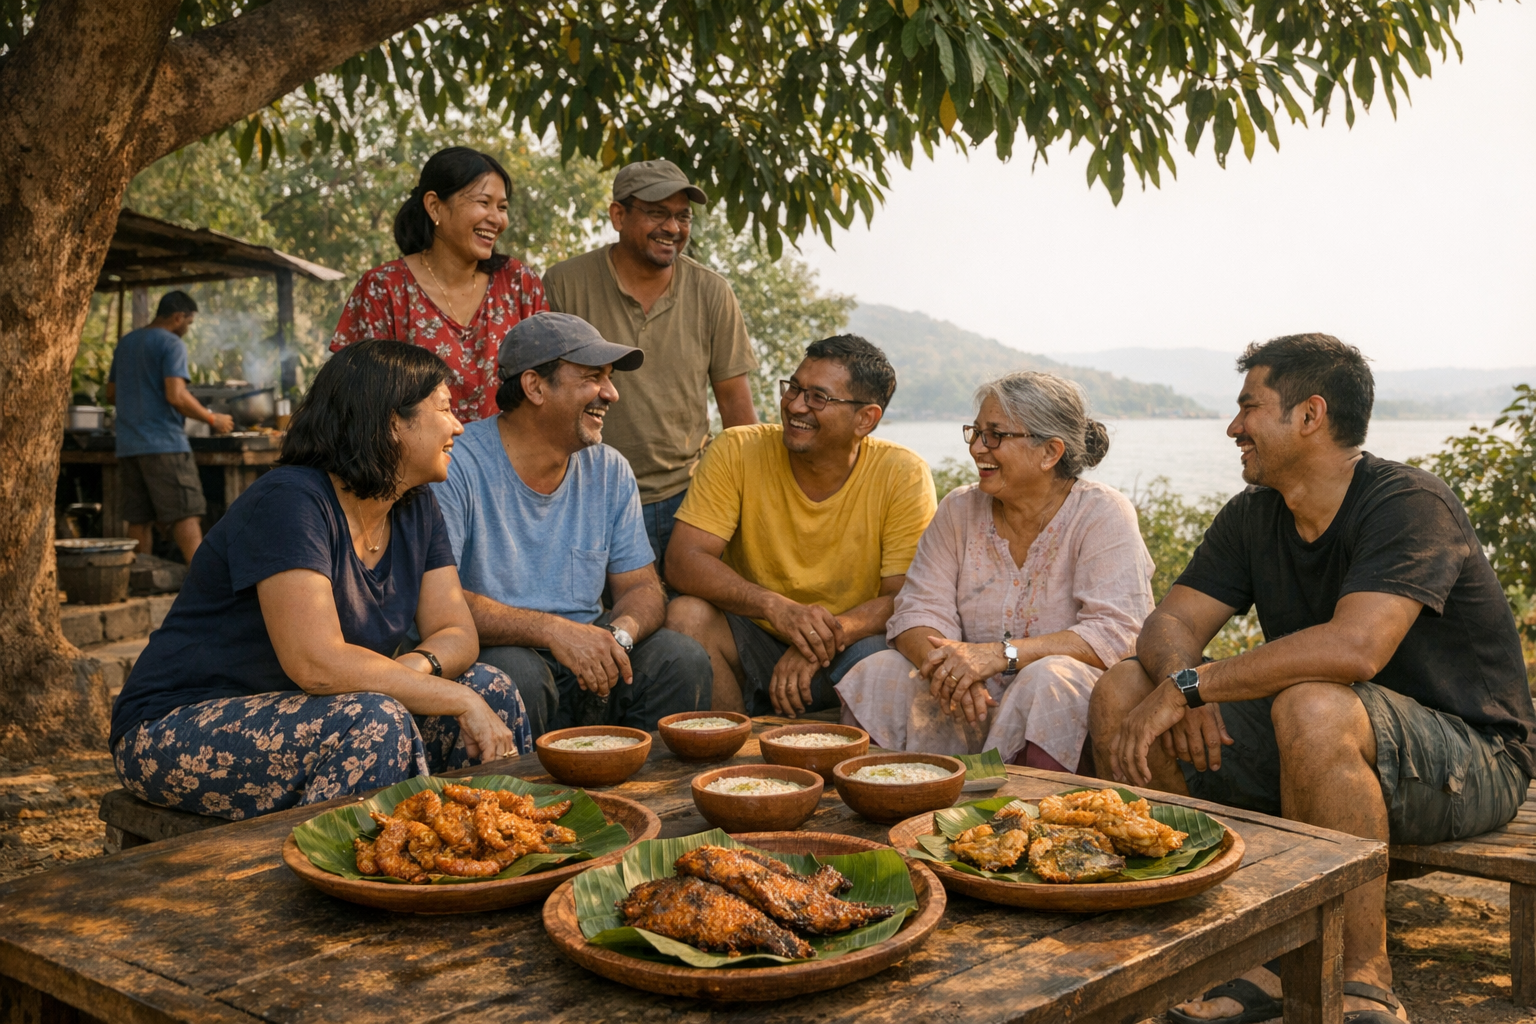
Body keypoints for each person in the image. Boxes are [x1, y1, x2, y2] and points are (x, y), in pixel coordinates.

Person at [1089, 334, 1534, 1024]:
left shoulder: (1409, 503)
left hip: (1472, 760)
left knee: (1314, 704)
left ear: (1310, 415)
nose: (1234, 427)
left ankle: (1360, 976)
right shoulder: (1254, 515)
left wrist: (1195, 688)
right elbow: (1166, 624)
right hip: (1324, 746)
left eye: (1249, 408)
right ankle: (1220, 945)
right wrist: (1182, 680)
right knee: (1122, 689)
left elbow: (1356, 650)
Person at [110, 340, 530, 820]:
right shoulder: (291, 501)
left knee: (490, 687)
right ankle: (332, 884)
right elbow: (317, 663)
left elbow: (457, 632)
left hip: (310, 714)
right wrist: (445, 695)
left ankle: (482, 864)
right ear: (393, 422)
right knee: (375, 720)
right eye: (445, 409)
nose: (457, 426)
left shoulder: (415, 505)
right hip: (176, 726)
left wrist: (414, 674)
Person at [836, 372, 1153, 772]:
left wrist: (998, 656)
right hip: (967, 701)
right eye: (975, 432)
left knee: (1048, 679)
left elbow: (1116, 633)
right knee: (878, 669)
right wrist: (952, 670)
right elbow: (917, 610)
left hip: (1060, 710)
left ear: (1049, 452)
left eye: (995, 435)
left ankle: (1033, 817)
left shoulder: (1101, 513)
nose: (976, 448)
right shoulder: (959, 510)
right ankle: (889, 802)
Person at [434, 312, 711, 737]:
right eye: (592, 377)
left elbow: (642, 588)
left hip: (589, 648)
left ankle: (649, 797)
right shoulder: (458, 466)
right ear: (535, 386)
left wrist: (616, 639)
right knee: (516, 674)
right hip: (501, 653)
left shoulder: (609, 470)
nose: (611, 393)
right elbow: (439, 602)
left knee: (681, 658)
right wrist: (553, 632)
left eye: (609, 378)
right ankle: (521, 802)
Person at [665, 335, 936, 717]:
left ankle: (856, 767)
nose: (795, 405)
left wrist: (819, 637)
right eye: (793, 387)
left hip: (850, 645)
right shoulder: (736, 449)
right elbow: (683, 560)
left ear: (866, 419)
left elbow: (903, 597)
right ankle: (734, 756)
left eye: (818, 397)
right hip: (757, 634)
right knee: (685, 616)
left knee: (886, 656)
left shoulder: (902, 473)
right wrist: (776, 608)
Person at [542, 159, 759, 569]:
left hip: (690, 499)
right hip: (590, 492)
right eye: (657, 213)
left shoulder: (712, 291)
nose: (673, 228)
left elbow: (736, 407)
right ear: (618, 215)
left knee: (686, 623)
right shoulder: (564, 283)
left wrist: (752, 500)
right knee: (601, 621)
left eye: (682, 216)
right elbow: (545, 397)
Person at [331, 147, 548, 422]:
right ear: (435, 206)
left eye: (502, 207)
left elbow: (548, 382)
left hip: (511, 461)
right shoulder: (382, 288)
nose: (496, 219)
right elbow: (360, 403)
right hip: (412, 463)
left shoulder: (519, 282)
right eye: (483, 202)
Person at [103, 290, 234, 563]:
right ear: (178, 317)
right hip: (164, 444)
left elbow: (112, 394)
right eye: (189, 322)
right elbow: (176, 395)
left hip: (129, 446)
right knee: (186, 513)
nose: (188, 328)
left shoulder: (126, 343)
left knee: (139, 517)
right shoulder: (171, 344)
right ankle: (202, 584)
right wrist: (212, 418)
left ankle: (141, 577)